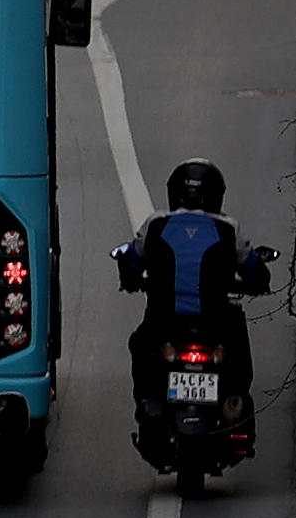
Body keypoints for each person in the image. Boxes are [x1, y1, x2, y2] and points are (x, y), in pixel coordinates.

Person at [115, 158, 271, 407]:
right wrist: (258, 282)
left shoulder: (156, 224)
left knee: (140, 345)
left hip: (164, 322)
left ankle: (149, 409)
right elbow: (254, 270)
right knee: (237, 357)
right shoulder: (228, 228)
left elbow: (132, 259)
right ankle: (234, 409)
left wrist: (131, 278)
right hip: (215, 323)